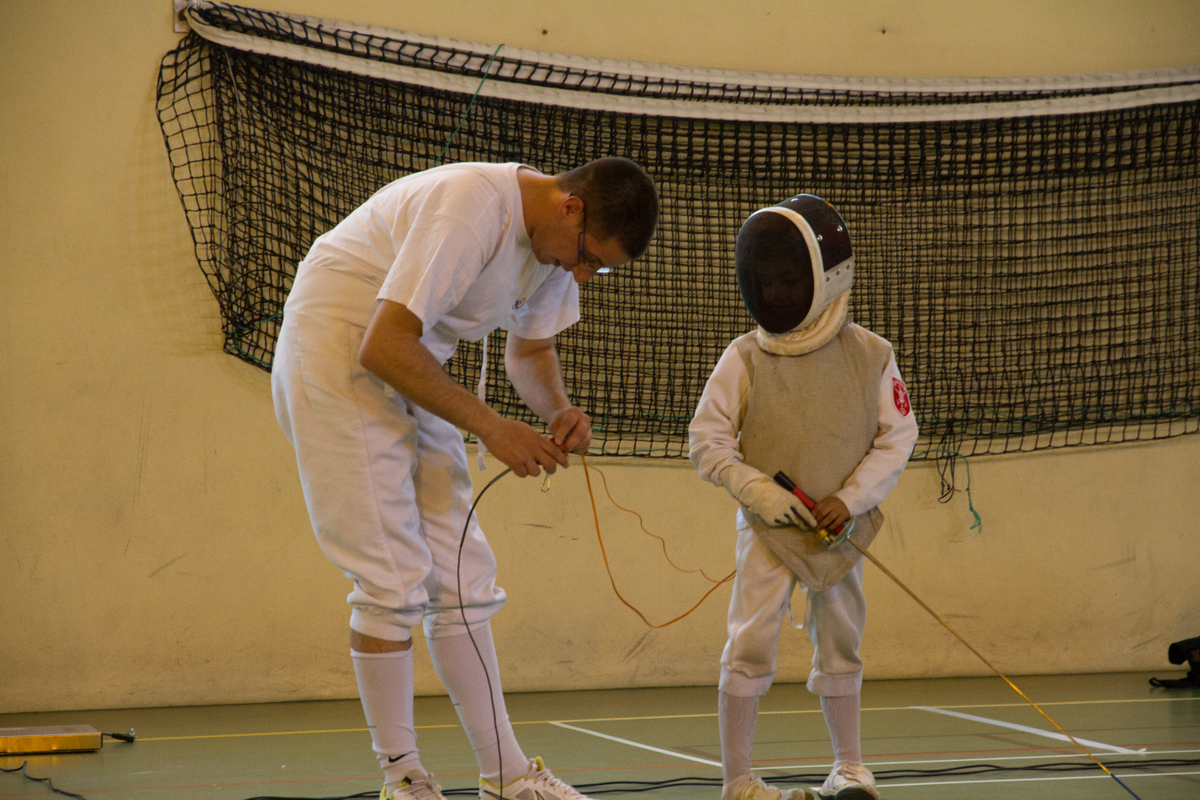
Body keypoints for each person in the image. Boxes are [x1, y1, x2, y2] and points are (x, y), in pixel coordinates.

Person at [271, 157, 659, 800]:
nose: (583, 274)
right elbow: (381, 345)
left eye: (600, 269)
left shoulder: (555, 248)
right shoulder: (472, 206)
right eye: (589, 257)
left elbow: (531, 349)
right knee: (391, 577)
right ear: (570, 207)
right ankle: (403, 778)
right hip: (337, 347)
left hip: (411, 359)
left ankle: (508, 777)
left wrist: (557, 409)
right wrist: (493, 429)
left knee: (462, 575)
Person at [688, 195, 918, 800]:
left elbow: (898, 437)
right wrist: (757, 490)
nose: (775, 292)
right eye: (767, 281)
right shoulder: (745, 356)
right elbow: (706, 439)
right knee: (749, 643)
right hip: (769, 531)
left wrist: (853, 498)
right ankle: (737, 780)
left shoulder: (872, 354)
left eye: (789, 280)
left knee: (842, 641)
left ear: (826, 277)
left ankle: (850, 768)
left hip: (841, 532)